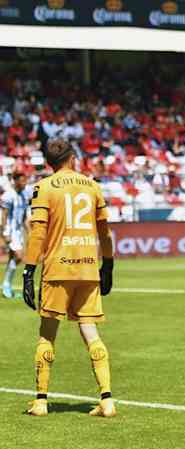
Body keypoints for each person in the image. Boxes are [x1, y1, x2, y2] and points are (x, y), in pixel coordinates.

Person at [22, 138, 116, 417]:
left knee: (47, 334)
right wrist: (108, 264)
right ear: (72, 159)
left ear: (50, 162)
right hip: (88, 268)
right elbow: (105, 232)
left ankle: (40, 401)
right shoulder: (93, 186)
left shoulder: (44, 188)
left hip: (58, 269)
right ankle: (107, 400)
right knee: (90, 331)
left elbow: (38, 232)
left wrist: (28, 270)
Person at [1, 172, 31, 298]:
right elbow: (4, 214)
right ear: (15, 181)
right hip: (10, 230)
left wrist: (29, 230)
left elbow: (24, 215)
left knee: (14, 258)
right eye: (22, 180)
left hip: (18, 232)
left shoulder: (25, 195)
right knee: (18, 256)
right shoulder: (8, 195)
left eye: (26, 180)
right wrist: (4, 232)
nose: (25, 183)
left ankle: (7, 287)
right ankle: (7, 285)